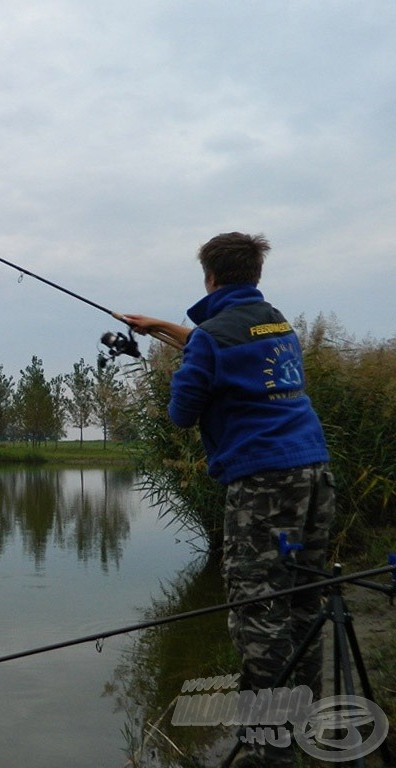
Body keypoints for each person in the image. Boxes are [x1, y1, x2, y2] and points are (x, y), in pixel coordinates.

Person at [124, 232, 334, 768]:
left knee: (257, 611)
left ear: (210, 277)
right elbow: (220, 345)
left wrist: (178, 360)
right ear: (254, 275)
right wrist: (164, 329)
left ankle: (270, 750)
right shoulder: (276, 323)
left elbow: (182, 413)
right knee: (304, 601)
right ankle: (304, 724)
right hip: (314, 470)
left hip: (262, 481)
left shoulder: (212, 340)